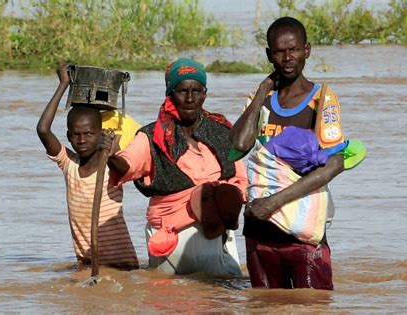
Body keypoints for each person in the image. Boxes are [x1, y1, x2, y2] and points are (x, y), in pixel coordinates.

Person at [230, 16, 346, 290]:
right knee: (264, 307)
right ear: (269, 55)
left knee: (312, 307)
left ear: (307, 49)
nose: (287, 57)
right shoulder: (261, 99)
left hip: (302, 233)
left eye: (293, 49)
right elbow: (239, 146)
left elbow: (333, 165)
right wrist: (260, 95)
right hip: (259, 231)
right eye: (280, 52)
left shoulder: (322, 99)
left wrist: (273, 202)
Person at [105, 57, 247, 276]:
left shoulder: (222, 130)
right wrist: (111, 156)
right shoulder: (151, 136)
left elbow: (240, 179)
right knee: (170, 299)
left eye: (196, 91)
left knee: (223, 297)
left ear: (205, 94)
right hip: (169, 233)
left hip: (217, 231)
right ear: (170, 95)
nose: (190, 98)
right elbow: (128, 165)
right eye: (182, 91)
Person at [36, 64, 139, 270]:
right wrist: (63, 84)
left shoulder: (110, 165)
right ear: (68, 136)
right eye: (76, 134)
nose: (82, 140)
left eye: (89, 134)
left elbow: (126, 167)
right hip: (87, 263)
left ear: (100, 134)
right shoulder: (69, 165)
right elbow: (43, 129)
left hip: (122, 265)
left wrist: (111, 153)